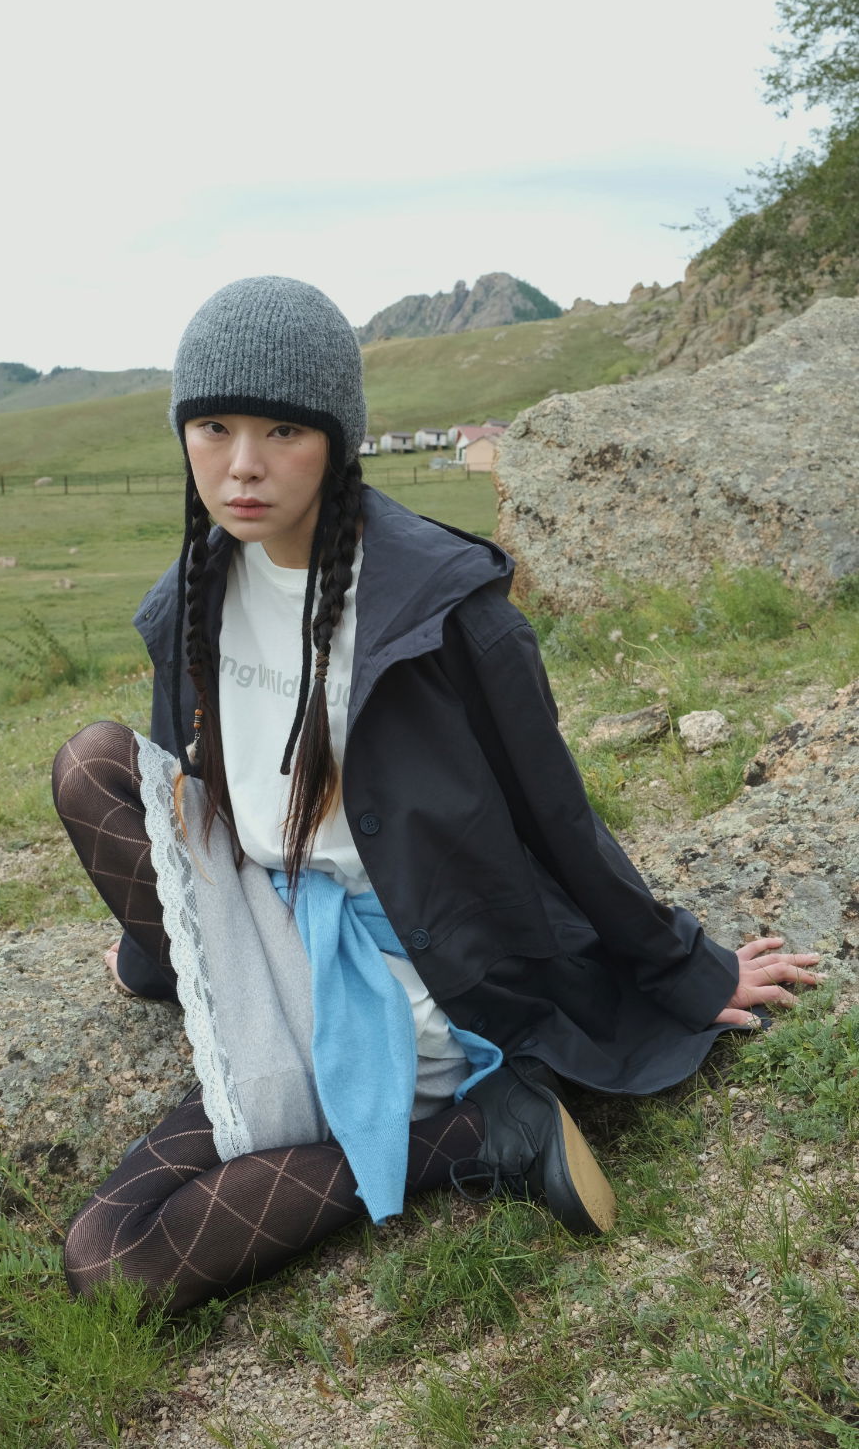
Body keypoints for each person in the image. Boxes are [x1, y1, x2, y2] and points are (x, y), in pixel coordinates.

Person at [51, 276, 821, 1314]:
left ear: (337, 439)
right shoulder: (194, 594)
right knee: (90, 762)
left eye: (282, 430)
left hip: (410, 976)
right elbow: (187, 805)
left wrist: (684, 968)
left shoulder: (441, 607)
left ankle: (477, 1131)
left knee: (115, 1261)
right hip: (272, 940)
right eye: (214, 427)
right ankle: (454, 1125)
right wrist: (158, 954)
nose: (242, 466)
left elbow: (558, 815)